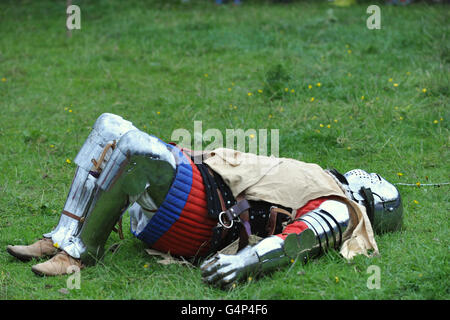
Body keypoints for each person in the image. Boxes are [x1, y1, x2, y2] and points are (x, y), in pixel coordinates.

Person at [6, 113, 403, 288]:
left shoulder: (340, 207)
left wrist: (243, 263)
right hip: (203, 184)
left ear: (367, 198)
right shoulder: (316, 172)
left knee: (142, 152)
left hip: (207, 221)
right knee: (111, 125)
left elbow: (296, 240)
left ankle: (82, 253)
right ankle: (62, 236)